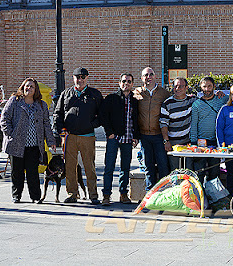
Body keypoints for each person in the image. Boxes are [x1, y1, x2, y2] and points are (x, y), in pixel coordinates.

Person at [0, 78, 56, 203]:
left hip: (34, 145)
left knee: (33, 173)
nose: (28, 88)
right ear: (22, 87)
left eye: (31, 87)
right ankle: (16, 195)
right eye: (27, 86)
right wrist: (10, 134)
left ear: (35, 90)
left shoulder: (41, 105)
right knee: (17, 172)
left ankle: (35, 197)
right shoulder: (14, 101)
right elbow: (4, 119)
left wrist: (51, 141)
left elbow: (46, 124)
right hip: (16, 144)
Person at [53, 67, 103, 204]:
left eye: (83, 77)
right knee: (70, 166)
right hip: (70, 136)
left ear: (87, 78)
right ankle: (72, 194)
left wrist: (92, 124)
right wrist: (60, 130)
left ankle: (93, 195)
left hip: (87, 136)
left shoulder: (95, 94)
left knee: (89, 166)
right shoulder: (66, 93)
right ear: (73, 78)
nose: (80, 80)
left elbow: (102, 114)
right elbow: (57, 113)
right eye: (77, 77)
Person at [99, 73, 140, 205]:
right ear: (119, 83)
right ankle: (106, 195)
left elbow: (137, 119)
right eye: (123, 81)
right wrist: (109, 132)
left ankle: (123, 193)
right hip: (114, 138)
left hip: (128, 138)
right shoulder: (112, 98)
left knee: (125, 167)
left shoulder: (135, 100)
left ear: (132, 84)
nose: (126, 84)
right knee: (109, 166)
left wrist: (136, 136)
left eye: (129, 82)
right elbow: (103, 115)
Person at [134, 67, 170, 191]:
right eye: (145, 75)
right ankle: (150, 193)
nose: (148, 77)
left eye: (151, 74)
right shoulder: (137, 93)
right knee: (148, 166)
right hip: (144, 136)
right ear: (141, 78)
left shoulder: (164, 93)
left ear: (155, 76)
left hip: (159, 135)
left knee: (163, 165)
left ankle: (164, 192)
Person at [190, 76, 229, 184]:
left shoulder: (222, 99)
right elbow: (194, 125)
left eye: (209, 86)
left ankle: (213, 199)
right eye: (204, 86)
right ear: (200, 88)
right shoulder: (196, 104)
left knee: (214, 173)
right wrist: (194, 143)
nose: (207, 89)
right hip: (200, 143)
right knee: (199, 173)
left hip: (215, 142)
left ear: (214, 86)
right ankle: (199, 198)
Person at [160, 77, 195, 171]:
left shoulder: (192, 101)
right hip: (173, 143)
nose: (177, 89)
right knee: (175, 171)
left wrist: (218, 93)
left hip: (188, 143)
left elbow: (206, 98)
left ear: (186, 88)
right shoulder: (167, 103)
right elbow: (163, 124)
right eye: (175, 86)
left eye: (181, 86)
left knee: (189, 170)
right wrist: (166, 141)